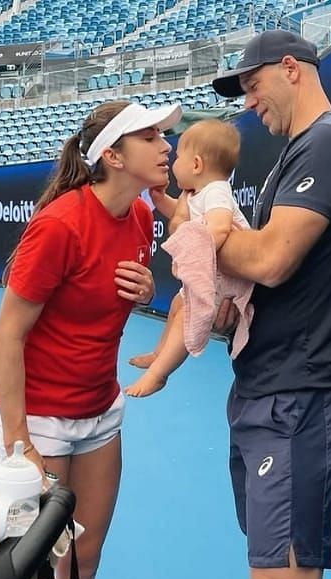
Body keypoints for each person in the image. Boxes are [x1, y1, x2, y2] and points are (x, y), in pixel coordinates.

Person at [209, 30, 331, 579]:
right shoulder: (298, 151)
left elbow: (273, 260)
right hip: (272, 391)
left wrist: (199, 233)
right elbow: (267, 280)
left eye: (253, 87)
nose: (249, 104)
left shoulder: (329, 142)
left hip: (300, 399)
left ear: (291, 69)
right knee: (279, 578)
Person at [0, 100, 173, 579]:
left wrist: (148, 292)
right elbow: (8, 335)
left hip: (99, 414)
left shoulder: (139, 214)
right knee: (34, 577)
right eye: (151, 137)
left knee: (84, 563)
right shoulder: (59, 225)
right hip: (39, 419)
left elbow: (101, 303)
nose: (166, 146)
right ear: (113, 156)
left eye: (163, 136)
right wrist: (19, 443)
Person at [125, 118, 249, 397]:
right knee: (177, 302)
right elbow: (186, 218)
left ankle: (159, 374)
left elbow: (218, 226)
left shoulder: (216, 190)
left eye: (178, 157)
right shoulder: (196, 193)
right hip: (215, 273)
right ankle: (159, 353)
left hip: (227, 279)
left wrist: (194, 254)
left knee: (187, 315)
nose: (172, 161)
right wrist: (160, 202)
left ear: (196, 165)